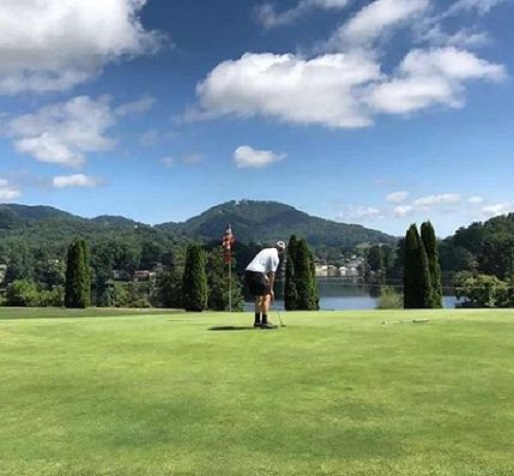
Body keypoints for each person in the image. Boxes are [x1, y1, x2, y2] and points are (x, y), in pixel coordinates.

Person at [245, 241, 286, 329]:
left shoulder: (265, 250)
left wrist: (265, 278)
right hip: (257, 273)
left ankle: (257, 321)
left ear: (275, 246)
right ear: (281, 251)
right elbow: (272, 274)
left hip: (249, 272)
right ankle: (264, 322)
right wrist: (271, 289)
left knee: (258, 297)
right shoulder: (275, 257)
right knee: (267, 297)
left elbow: (260, 265)